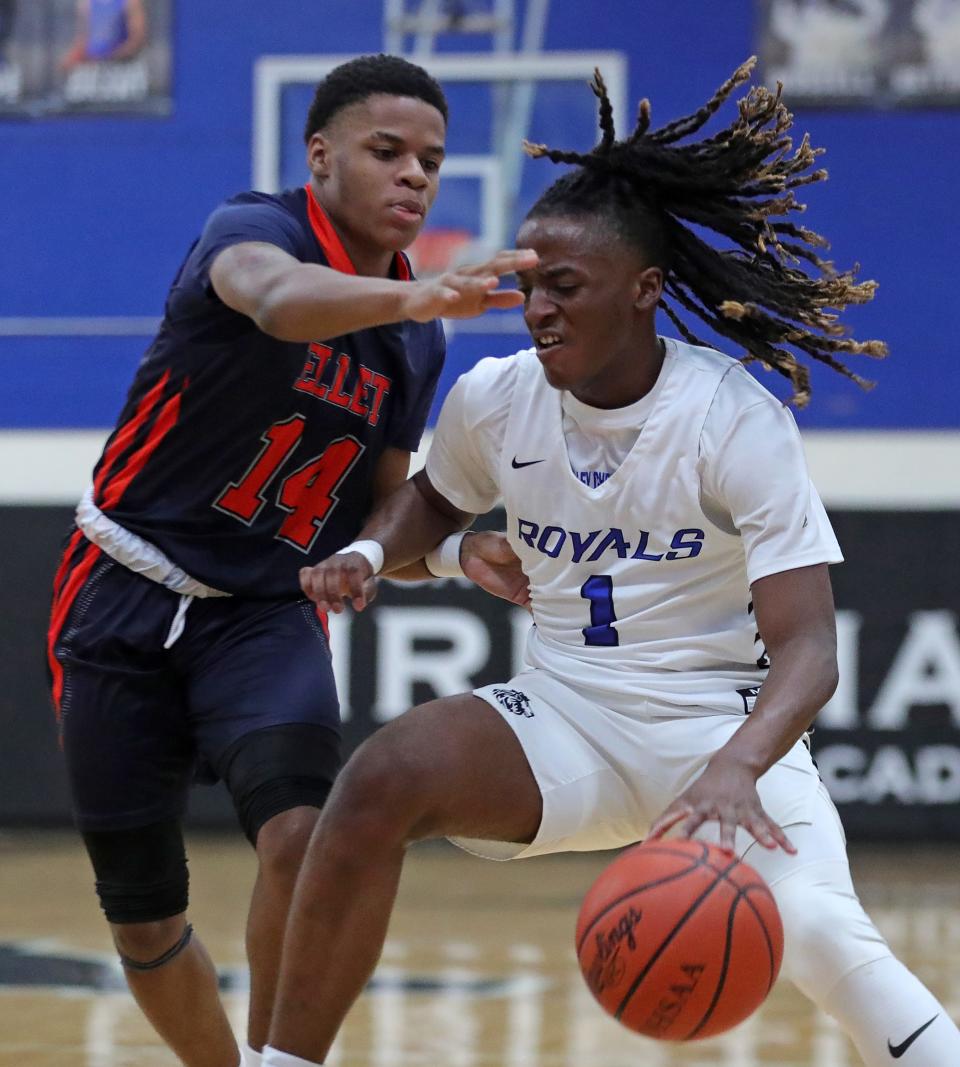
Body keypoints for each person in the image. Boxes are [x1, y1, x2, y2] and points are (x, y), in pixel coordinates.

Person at [262, 60, 960, 1067]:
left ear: (643, 292)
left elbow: (808, 649)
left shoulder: (731, 417)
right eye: (529, 284)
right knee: (380, 776)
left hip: (717, 732)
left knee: (816, 932)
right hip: (568, 716)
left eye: (566, 287)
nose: (538, 307)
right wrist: (375, 548)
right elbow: (430, 497)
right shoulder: (498, 396)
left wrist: (733, 769)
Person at [47, 53, 534, 1067]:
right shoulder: (252, 230)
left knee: (302, 835)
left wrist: (450, 554)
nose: (415, 177)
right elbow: (274, 302)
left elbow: (379, 515)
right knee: (141, 914)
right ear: (320, 156)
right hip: (119, 588)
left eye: (433, 163)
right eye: (387, 151)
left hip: (262, 612)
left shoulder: (414, 340)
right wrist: (417, 300)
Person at [59, 0, 147, 72]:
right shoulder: (86, 3)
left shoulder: (131, 2)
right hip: (93, 69)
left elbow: (137, 39)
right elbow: (83, 39)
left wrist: (109, 58)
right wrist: (72, 59)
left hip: (123, 68)